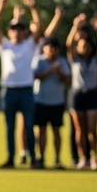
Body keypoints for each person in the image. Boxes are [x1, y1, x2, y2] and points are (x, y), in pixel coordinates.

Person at [0, 0, 48, 168]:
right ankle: (10, 158)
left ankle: (32, 157)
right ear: (9, 31)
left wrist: (34, 8)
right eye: (13, 28)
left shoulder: (30, 44)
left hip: (26, 90)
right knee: (9, 128)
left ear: (24, 31)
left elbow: (40, 29)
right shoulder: (5, 46)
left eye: (20, 28)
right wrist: (0, 7)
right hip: (9, 90)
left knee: (29, 126)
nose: (16, 30)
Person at [66, 14, 97, 170]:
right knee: (79, 130)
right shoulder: (75, 59)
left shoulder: (96, 60)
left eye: (87, 46)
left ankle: (95, 158)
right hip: (77, 95)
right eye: (81, 46)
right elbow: (68, 44)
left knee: (92, 129)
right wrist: (75, 26)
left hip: (92, 94)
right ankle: (83, 158)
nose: (84, 48)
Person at [32, 37, 70, 169]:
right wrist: (51, 70)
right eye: (50, 49)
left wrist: (58, 70)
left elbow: (66, 80)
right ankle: (40, 158)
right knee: (41, 131)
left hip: (57, 102)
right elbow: (35, 76)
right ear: (44, 49)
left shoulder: (62, 62)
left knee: (56, 131)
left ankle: (57, 159)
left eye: (55, 49)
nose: (52, 52)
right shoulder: (39, 61)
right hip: (41, 101)